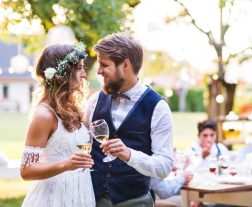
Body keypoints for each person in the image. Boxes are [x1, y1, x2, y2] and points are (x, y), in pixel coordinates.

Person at [85, 33, 174, 206]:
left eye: (104, 65)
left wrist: (130, 155)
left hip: (135, 201)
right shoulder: (94, 101)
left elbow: (164, 166)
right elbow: (81, 143)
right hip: (93, 200)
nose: (98, 71)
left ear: (125, 64)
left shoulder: (158, 107)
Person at [20, 43, 95, 207]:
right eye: (79, 68)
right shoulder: (44, 115)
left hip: (81, 193)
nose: (84, 75)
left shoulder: (74, 108)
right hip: (53, 199)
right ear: (64, 72)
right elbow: (26, 170)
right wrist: (65, 165)